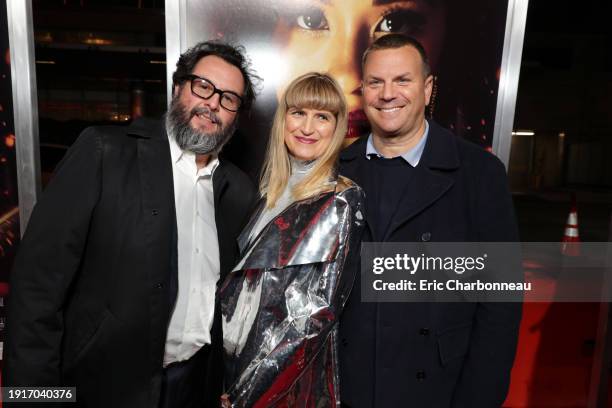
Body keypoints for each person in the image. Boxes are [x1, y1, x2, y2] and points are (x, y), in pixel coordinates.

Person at [3, 41, 258, 408]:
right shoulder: (104, 153)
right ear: (177, 88)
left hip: (193, 388)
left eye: (229, 98)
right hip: (102, 388)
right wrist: (31, 399)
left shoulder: (237, 191)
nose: (213, 103)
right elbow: (35, 289)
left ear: (236, 114)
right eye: (203, 86)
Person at [338, 34, 521, 407]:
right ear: (363, 90)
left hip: (438, 387)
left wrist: (479, 396)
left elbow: (500, 300)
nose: (388, 94)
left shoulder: (479, 173)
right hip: (348, 386)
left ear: (427, 87)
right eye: (376, 82)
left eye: (402, 80)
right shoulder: (335, 171)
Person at [219, 73, 365, 407]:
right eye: (298, 112)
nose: (308, 127)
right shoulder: (265, 194)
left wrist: (248, 392)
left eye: (322, 116)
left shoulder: (340, 200)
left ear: (337, 127)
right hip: (231, 363)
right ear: (283, 119)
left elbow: (314, 318)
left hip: (282, 385)